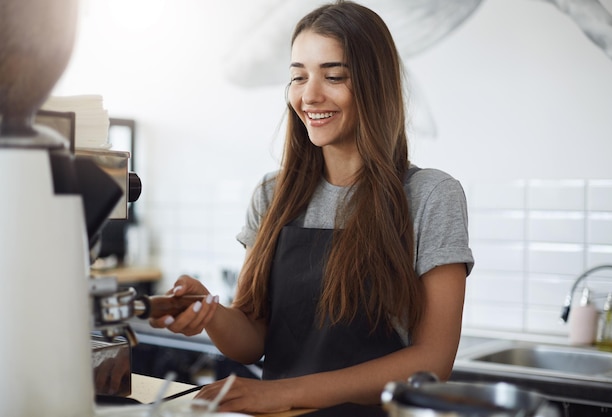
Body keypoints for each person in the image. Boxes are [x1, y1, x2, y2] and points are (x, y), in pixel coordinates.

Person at [150, 0, 474, 413]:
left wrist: (283, 392)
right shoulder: (272, 195)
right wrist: (209, 312)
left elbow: (433, 362)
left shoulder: (431, 195)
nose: (309, 95)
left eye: (333, 76)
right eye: (298, 77)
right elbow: (251, 340)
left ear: (377, 85)